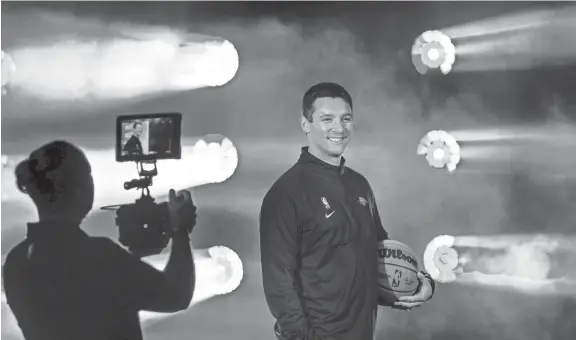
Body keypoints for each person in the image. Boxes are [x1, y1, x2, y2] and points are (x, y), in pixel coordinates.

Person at [259, 82, 436, 340]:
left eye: (346, 119)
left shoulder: (359, 185)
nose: (338, 128)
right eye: (326, 119)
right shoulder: (286, 193)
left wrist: (422, 283)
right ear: (305, 124)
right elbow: (278, 285)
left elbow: (377, 258)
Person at [2, 140, 197, 340]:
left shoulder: (16, 262)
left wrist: (132, 260)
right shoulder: (100, 256)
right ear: (80, 190)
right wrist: (180, 230)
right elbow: (176, 295)